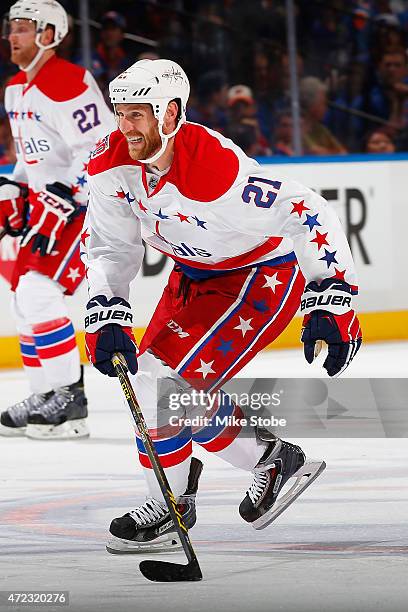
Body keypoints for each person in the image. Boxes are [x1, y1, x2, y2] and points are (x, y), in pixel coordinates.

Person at [83, 59, 362, 553]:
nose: (126, 127)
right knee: (152, 384)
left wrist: (333, 295)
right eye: (120, 114)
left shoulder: (213, 169)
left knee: (165, 386)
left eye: (138, 115)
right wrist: (106, 305)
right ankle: (211, 484)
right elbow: (111, 244)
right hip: (193, 276)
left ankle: (245, 468)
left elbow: (308, 210)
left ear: (170, 114)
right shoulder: (110, 164)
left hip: (258, 277)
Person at [0, 0, 115, 439]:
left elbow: (102, 147)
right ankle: (44, 395)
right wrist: (14, 184)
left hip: (86, 208)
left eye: (24, 28)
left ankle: (70, 401)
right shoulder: (15, 88)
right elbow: (32, 157)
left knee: (37, 292)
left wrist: (70, 192)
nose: (13, 36)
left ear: (49, 34)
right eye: (11, 27)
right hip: (45, 209)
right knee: (22, 301)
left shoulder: (68, 81)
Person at [300, 76, 348, 155]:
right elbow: (314, 152)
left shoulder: (321, 129)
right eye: (323, 103)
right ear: (313, 105)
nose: (326, 108)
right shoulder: (296, 129)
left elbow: (343, 153)